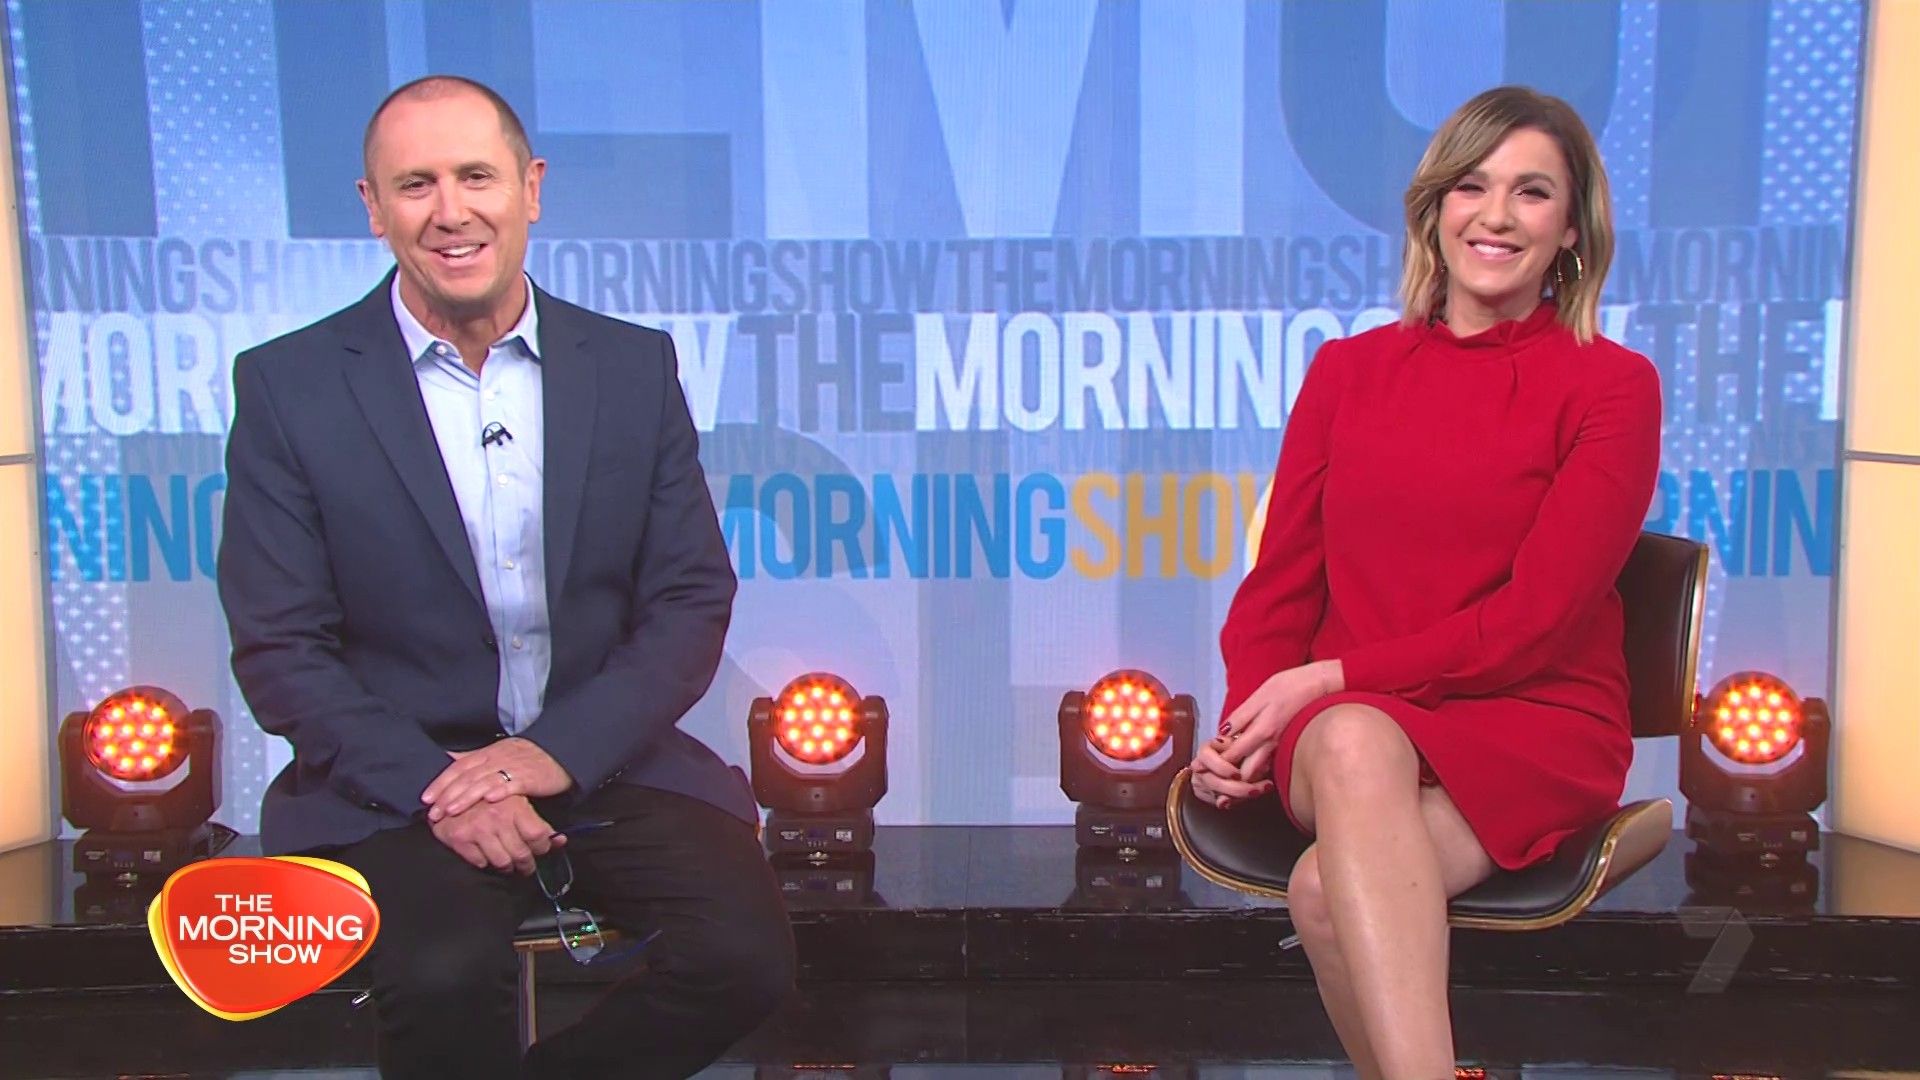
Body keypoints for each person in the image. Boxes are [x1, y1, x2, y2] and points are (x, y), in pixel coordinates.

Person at [216, 74, 793, 1079]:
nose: (451, 212)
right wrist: (448, 786)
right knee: (443, 976)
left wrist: (547, 756)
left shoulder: (631, 367)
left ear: (530, 189)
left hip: (602, 762)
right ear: (373, 208)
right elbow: (280, 647)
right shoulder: (290, 385)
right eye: (416, 185)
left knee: (742, 958)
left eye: (476, 177)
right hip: (394, 785)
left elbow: (688, 599)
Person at [1193, 86, 1660, 1079]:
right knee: (1354, 739)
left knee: (1324, 893)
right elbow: (1280, 588)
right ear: (1434, 209)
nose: (1497, 215)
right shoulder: (1348, 372)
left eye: (1532, 192)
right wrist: (1250, 720)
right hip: (1354, 739)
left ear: (1572, 230)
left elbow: (1537, 621)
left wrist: (1330, 678)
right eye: (1472, 186)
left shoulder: (1613, 386)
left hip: (1531, 719)